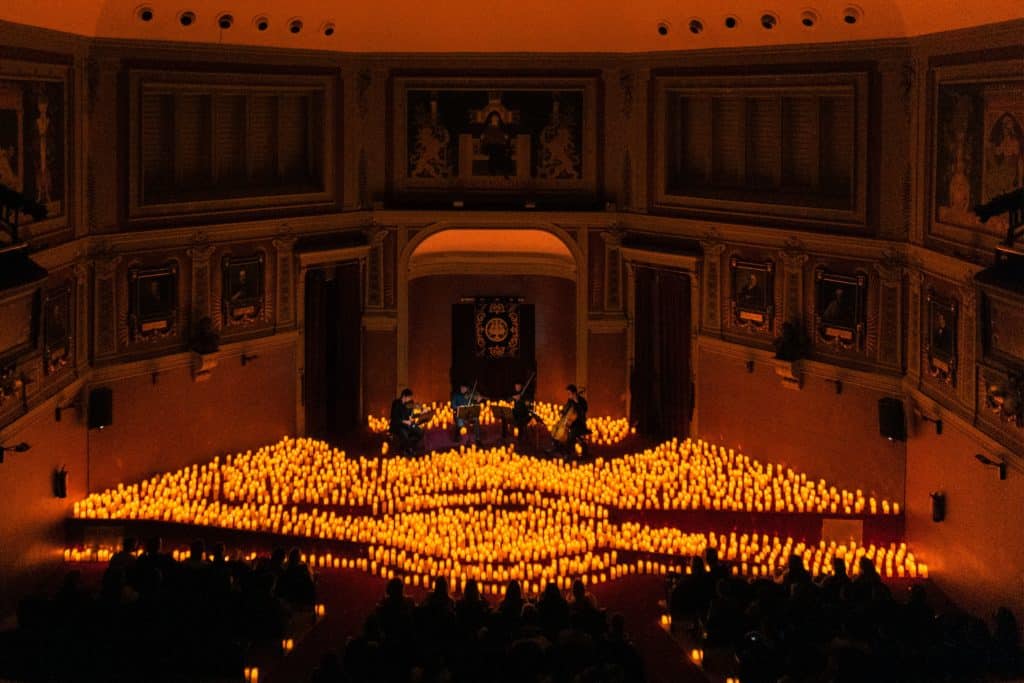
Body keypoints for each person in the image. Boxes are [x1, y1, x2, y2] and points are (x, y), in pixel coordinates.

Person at [555, 384, 590, 459]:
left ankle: (568, 453)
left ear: (574, 393)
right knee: (558, 430)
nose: (568, 395)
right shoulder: (570, 400)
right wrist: (562, 412)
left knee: (571, 435)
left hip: (579, 424)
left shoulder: (582, 401)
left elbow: (582, 412)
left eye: (569, 393)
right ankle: (558, 448)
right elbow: (566, 408)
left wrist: (577, 403)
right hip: (571, 423)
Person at [389, 388, 423, 456]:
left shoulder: (407, 404)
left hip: (407, 424)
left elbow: (411, 414)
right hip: (398, 425)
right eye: (409, 397)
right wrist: (405, 421)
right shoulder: (396, 403)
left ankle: (409, 446)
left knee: (420, 432)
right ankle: (408, 450)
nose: (410, 399)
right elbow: (395, 418)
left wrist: (418, 414)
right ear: (404, 396)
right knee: (404, 433)